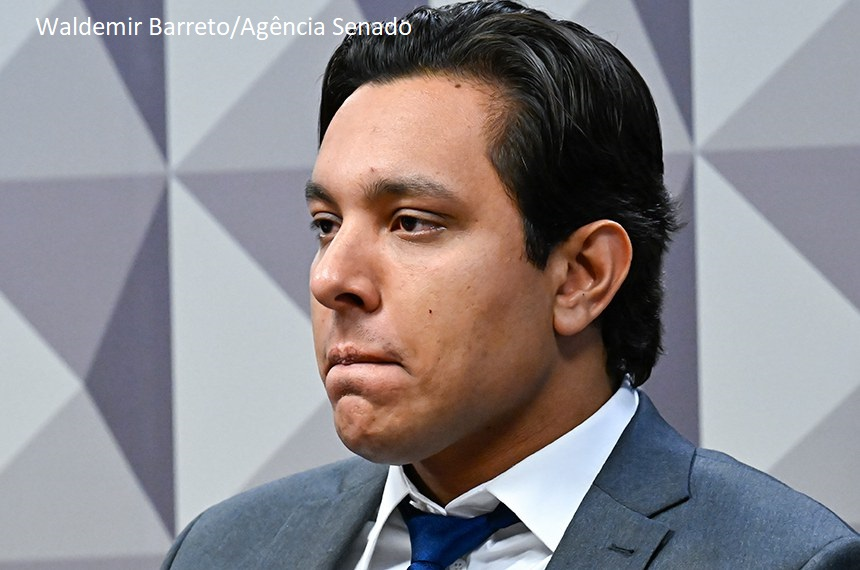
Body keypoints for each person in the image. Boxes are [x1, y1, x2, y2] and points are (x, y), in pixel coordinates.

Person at [162, 1, 860, 568]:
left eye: (412, 223)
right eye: (326, 224)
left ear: (582, 276)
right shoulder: (223, 550)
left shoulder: (780, 559)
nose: (331, 278)